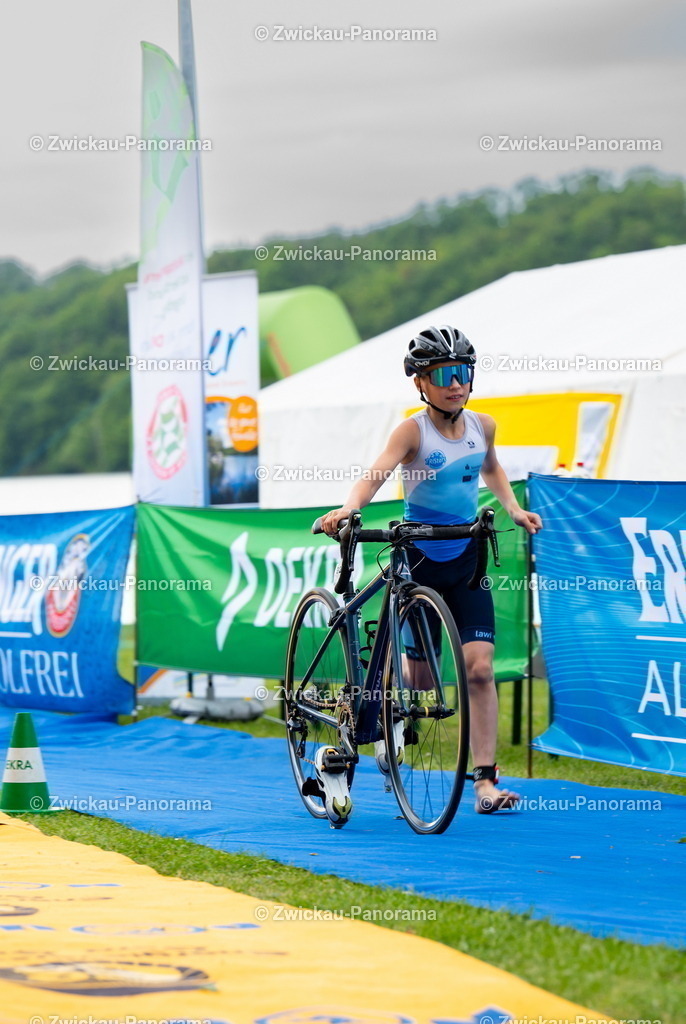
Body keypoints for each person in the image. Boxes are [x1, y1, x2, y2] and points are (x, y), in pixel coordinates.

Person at [322, 325, 542, 813]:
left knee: (479, 669)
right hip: (418, 557)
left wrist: (511, 509)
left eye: (463, 372)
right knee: (420, 685)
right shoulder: (411, 431)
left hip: (465, 557)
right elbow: (376, 473)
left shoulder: (483, 426)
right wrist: (348, 509)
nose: (456, 383)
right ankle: (380, 704)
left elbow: (491, 468)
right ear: (421, 382)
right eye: (444, 374)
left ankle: (485, 783)